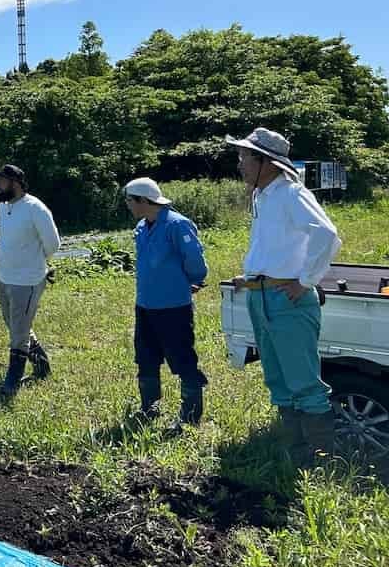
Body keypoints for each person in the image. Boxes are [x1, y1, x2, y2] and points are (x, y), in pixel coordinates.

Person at [226, 127, 342, 464]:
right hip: (262, 295)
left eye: (245, 157)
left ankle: (319, 462)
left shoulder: (291, 193)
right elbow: (274, 246)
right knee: (277, 378)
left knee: (304, 382)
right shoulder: (263, 196)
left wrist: (305, 280)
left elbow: (327, 234)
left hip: (286, 298)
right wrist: (250, 277)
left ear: (266, 162)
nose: (241, 163)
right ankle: (294, 454)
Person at [124, 177, 209, 428]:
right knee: (146, 357)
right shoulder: (142, 226)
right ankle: (150, 408)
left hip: (173, 306)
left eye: (130, 200)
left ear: (143, 200)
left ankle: (190, 414)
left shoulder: (177, 225)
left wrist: (193, 280)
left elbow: (195, 261)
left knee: (182, 357)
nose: (128, 205)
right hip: (145, 304)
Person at [0, 165, 61, 395]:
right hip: (4, 276)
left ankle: (13, 377)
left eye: (1, 181)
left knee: (19, 331)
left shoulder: (35, 208)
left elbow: (53, 243)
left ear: (15, 183)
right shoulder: (3, 207)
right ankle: (41, 362)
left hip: (28, 280)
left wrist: (36, 264)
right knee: (15, 325)